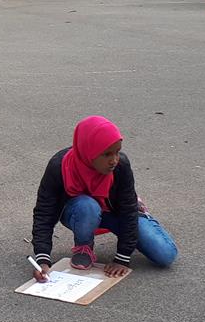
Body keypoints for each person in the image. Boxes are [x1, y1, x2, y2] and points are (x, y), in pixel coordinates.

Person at [29, 115, 178, 277]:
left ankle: (145, 219)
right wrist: (42, 259)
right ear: (89, 151)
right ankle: (84, 247)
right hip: (80, 213)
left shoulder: (121, 166)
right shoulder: (59, 167)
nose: (114, 160)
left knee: (165, 254)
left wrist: (122, 257)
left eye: (117, 152)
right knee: (88, 206)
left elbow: (128, 213)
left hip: (116, 212)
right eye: (107, 154)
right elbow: (44, 213)